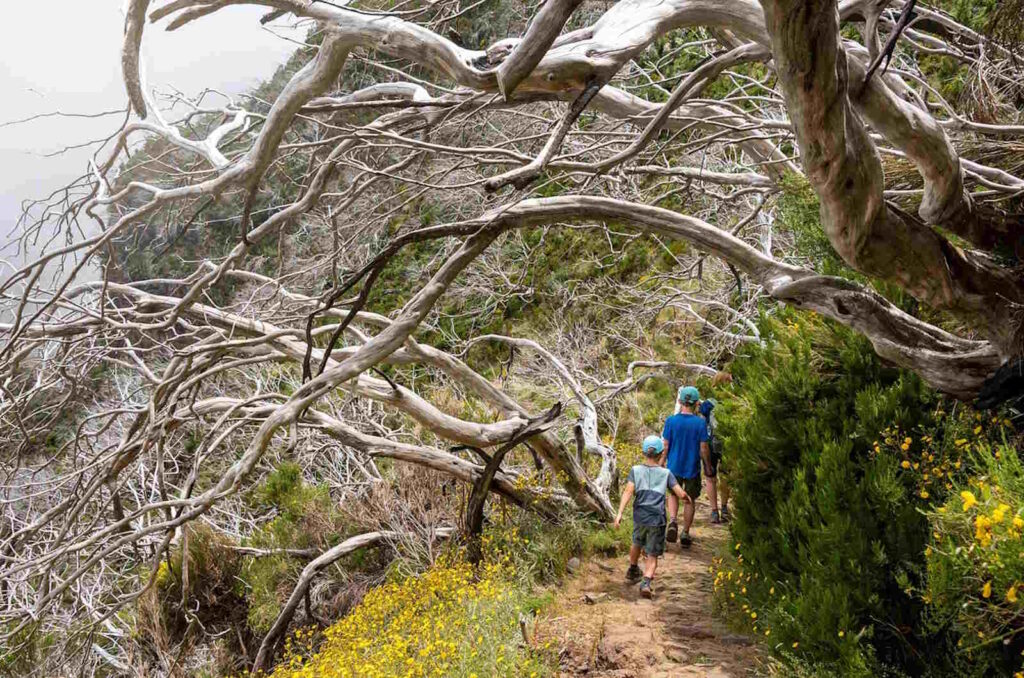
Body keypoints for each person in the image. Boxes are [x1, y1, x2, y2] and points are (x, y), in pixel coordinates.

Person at [614, 435, 691, 599]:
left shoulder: (635, 470)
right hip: (657, 519)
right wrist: (686, 498)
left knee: (636, 542)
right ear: (661, 453)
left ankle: (633, 568)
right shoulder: (666, 473)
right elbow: (679, 493)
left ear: (643, 452)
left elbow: (628, 491)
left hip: (640, 516)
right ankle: (646, 582)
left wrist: (619, 513)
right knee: (653, 553)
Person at [661, 386, 711, 547]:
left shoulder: (671, 421)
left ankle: (674, 521)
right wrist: (708, 465)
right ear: (696, 403)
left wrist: (661, 463)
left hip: (674, 467)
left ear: (680, 401)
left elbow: (666, 445)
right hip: (692, 468)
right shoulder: (700, 423)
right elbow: (703, 448)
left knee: (673, 495)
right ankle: (685, 533)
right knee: (689, 500)